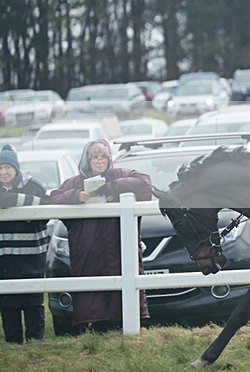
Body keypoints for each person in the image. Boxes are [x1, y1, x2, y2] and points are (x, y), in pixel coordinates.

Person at [48, 139, 152, 333]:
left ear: (109, 158)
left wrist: (112, 188)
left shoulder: (121, 175)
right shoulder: (74, 183)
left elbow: (144, 183)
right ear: (87, 160)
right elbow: (53, 198)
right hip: (89, 257)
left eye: (103, 156)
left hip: (120, 251)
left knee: (124, 298)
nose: (99, 161)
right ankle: (98, 332)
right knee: (94, 303)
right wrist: (74, 196)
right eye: (94, 157)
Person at [0, 144, 48, 343]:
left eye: (7, 168)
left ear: (16, 168)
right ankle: (14, 344)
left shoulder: (34, 185)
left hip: (32, 258)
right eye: (0, 168)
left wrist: (9, 200)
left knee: (33, 303)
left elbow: (45, 207)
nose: (3, 172)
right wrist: (25, 202)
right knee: (8, 304)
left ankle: (36, 344)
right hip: (4, 262)